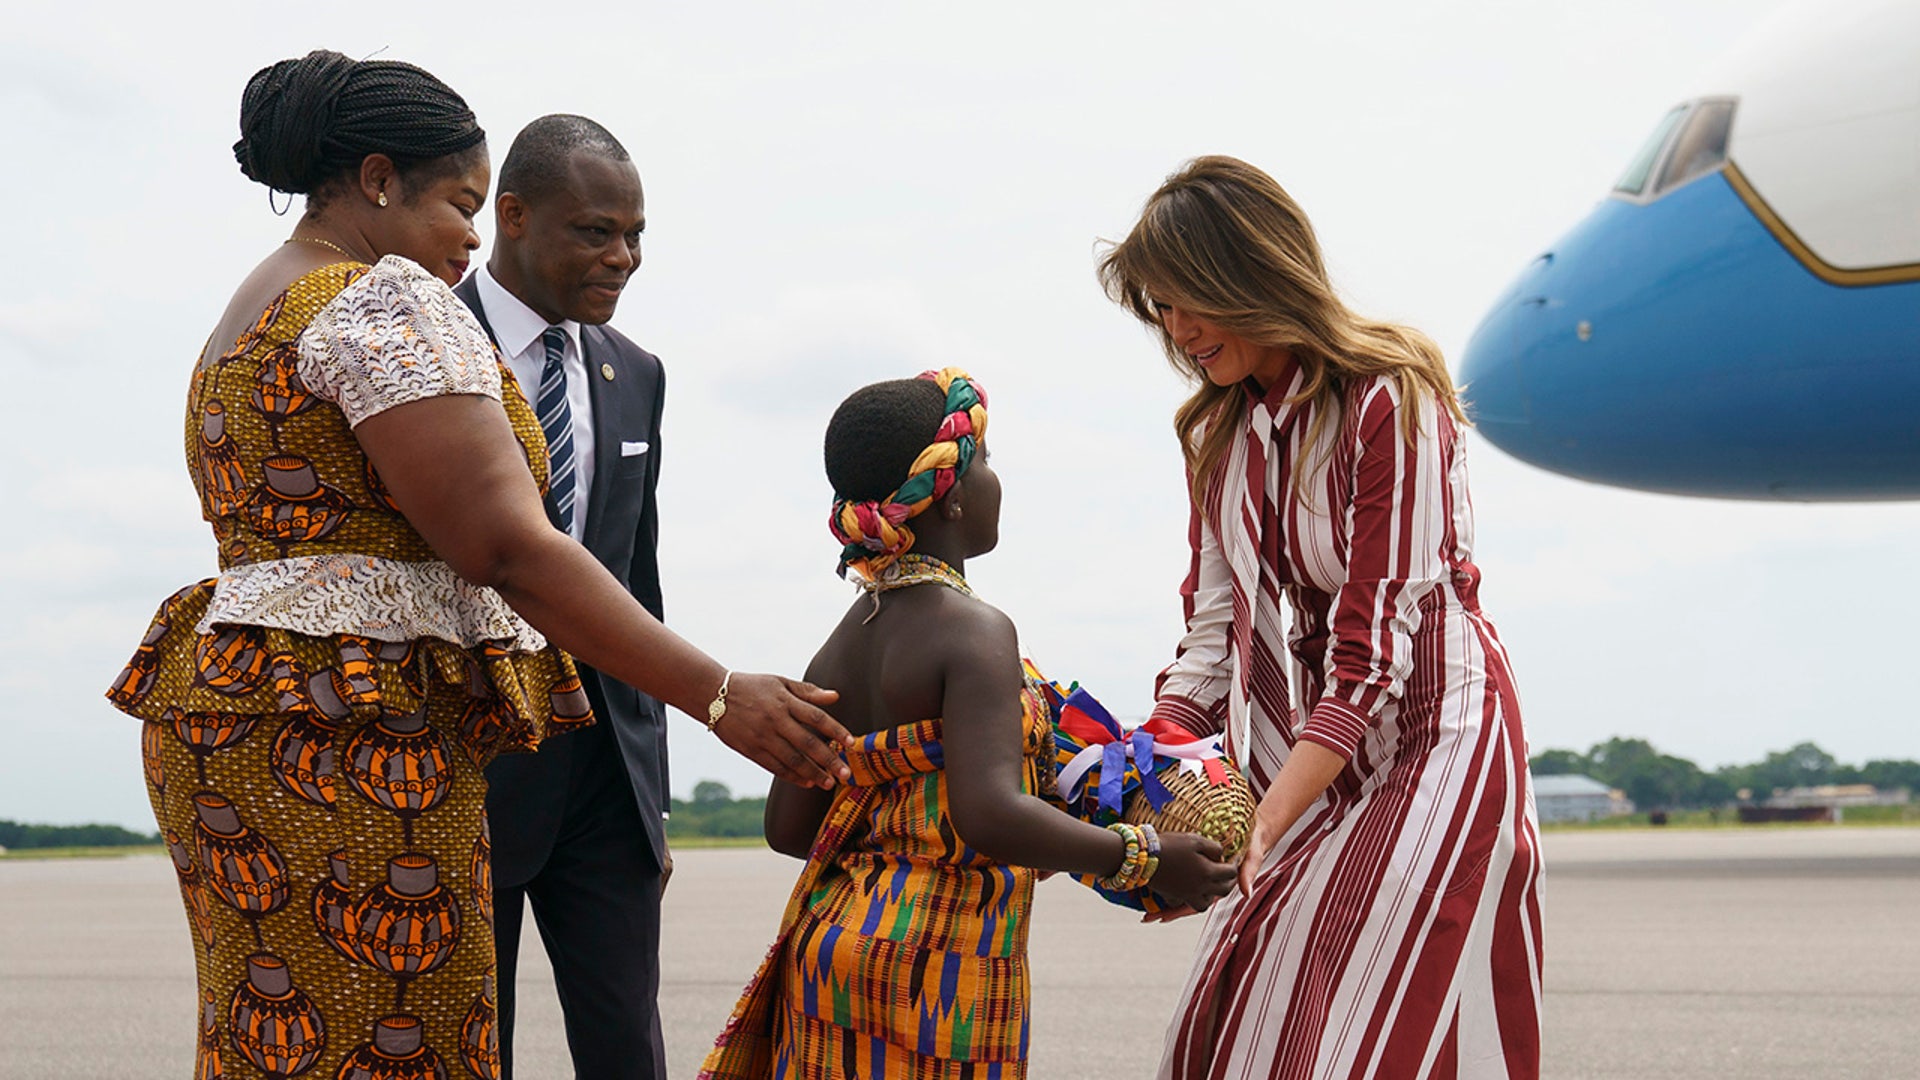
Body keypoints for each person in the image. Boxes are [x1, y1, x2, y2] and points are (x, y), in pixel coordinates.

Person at [104, 51, 851, 1080]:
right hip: (355, 731)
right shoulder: (381, 303)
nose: (467, 233)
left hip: (247, 712)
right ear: (376, 181)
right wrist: (720, 694)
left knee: (279, 1044)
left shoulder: (248, 309)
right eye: (460, 203)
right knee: (396, 1037)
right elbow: (505, 545)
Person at [1098, 156, 1543, 1080]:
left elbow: (1376, 646)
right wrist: (1147, 763)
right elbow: (1214, 635)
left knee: (1367, 1034)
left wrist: (1264, 823)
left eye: (1188, 301)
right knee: (1231, 1018)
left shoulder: (1392, 394)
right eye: (1160, 311)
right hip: (1304, 749)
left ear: (1250, 273)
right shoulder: (1217, 436)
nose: (1177, 332)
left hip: (1433, 734)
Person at [700, 370, 1239, 1080]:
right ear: (949, 499)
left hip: (831, 949)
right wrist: (1141, 855)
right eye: (984, 460)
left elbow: (789, 829)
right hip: (938, 970)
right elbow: (987, 813)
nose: (994, 479)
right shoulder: (975, 632)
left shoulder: (841, 642)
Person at [451, 114, 671, 1080]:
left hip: (605, 780)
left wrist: (649, 790)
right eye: (595, 231)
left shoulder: (638, 373)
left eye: (635, 235)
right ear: (513, 215)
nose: (622, 257)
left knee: (627, 1045)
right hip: (469, 753)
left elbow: (638, 581)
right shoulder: (420, 339)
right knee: (469, 1047)